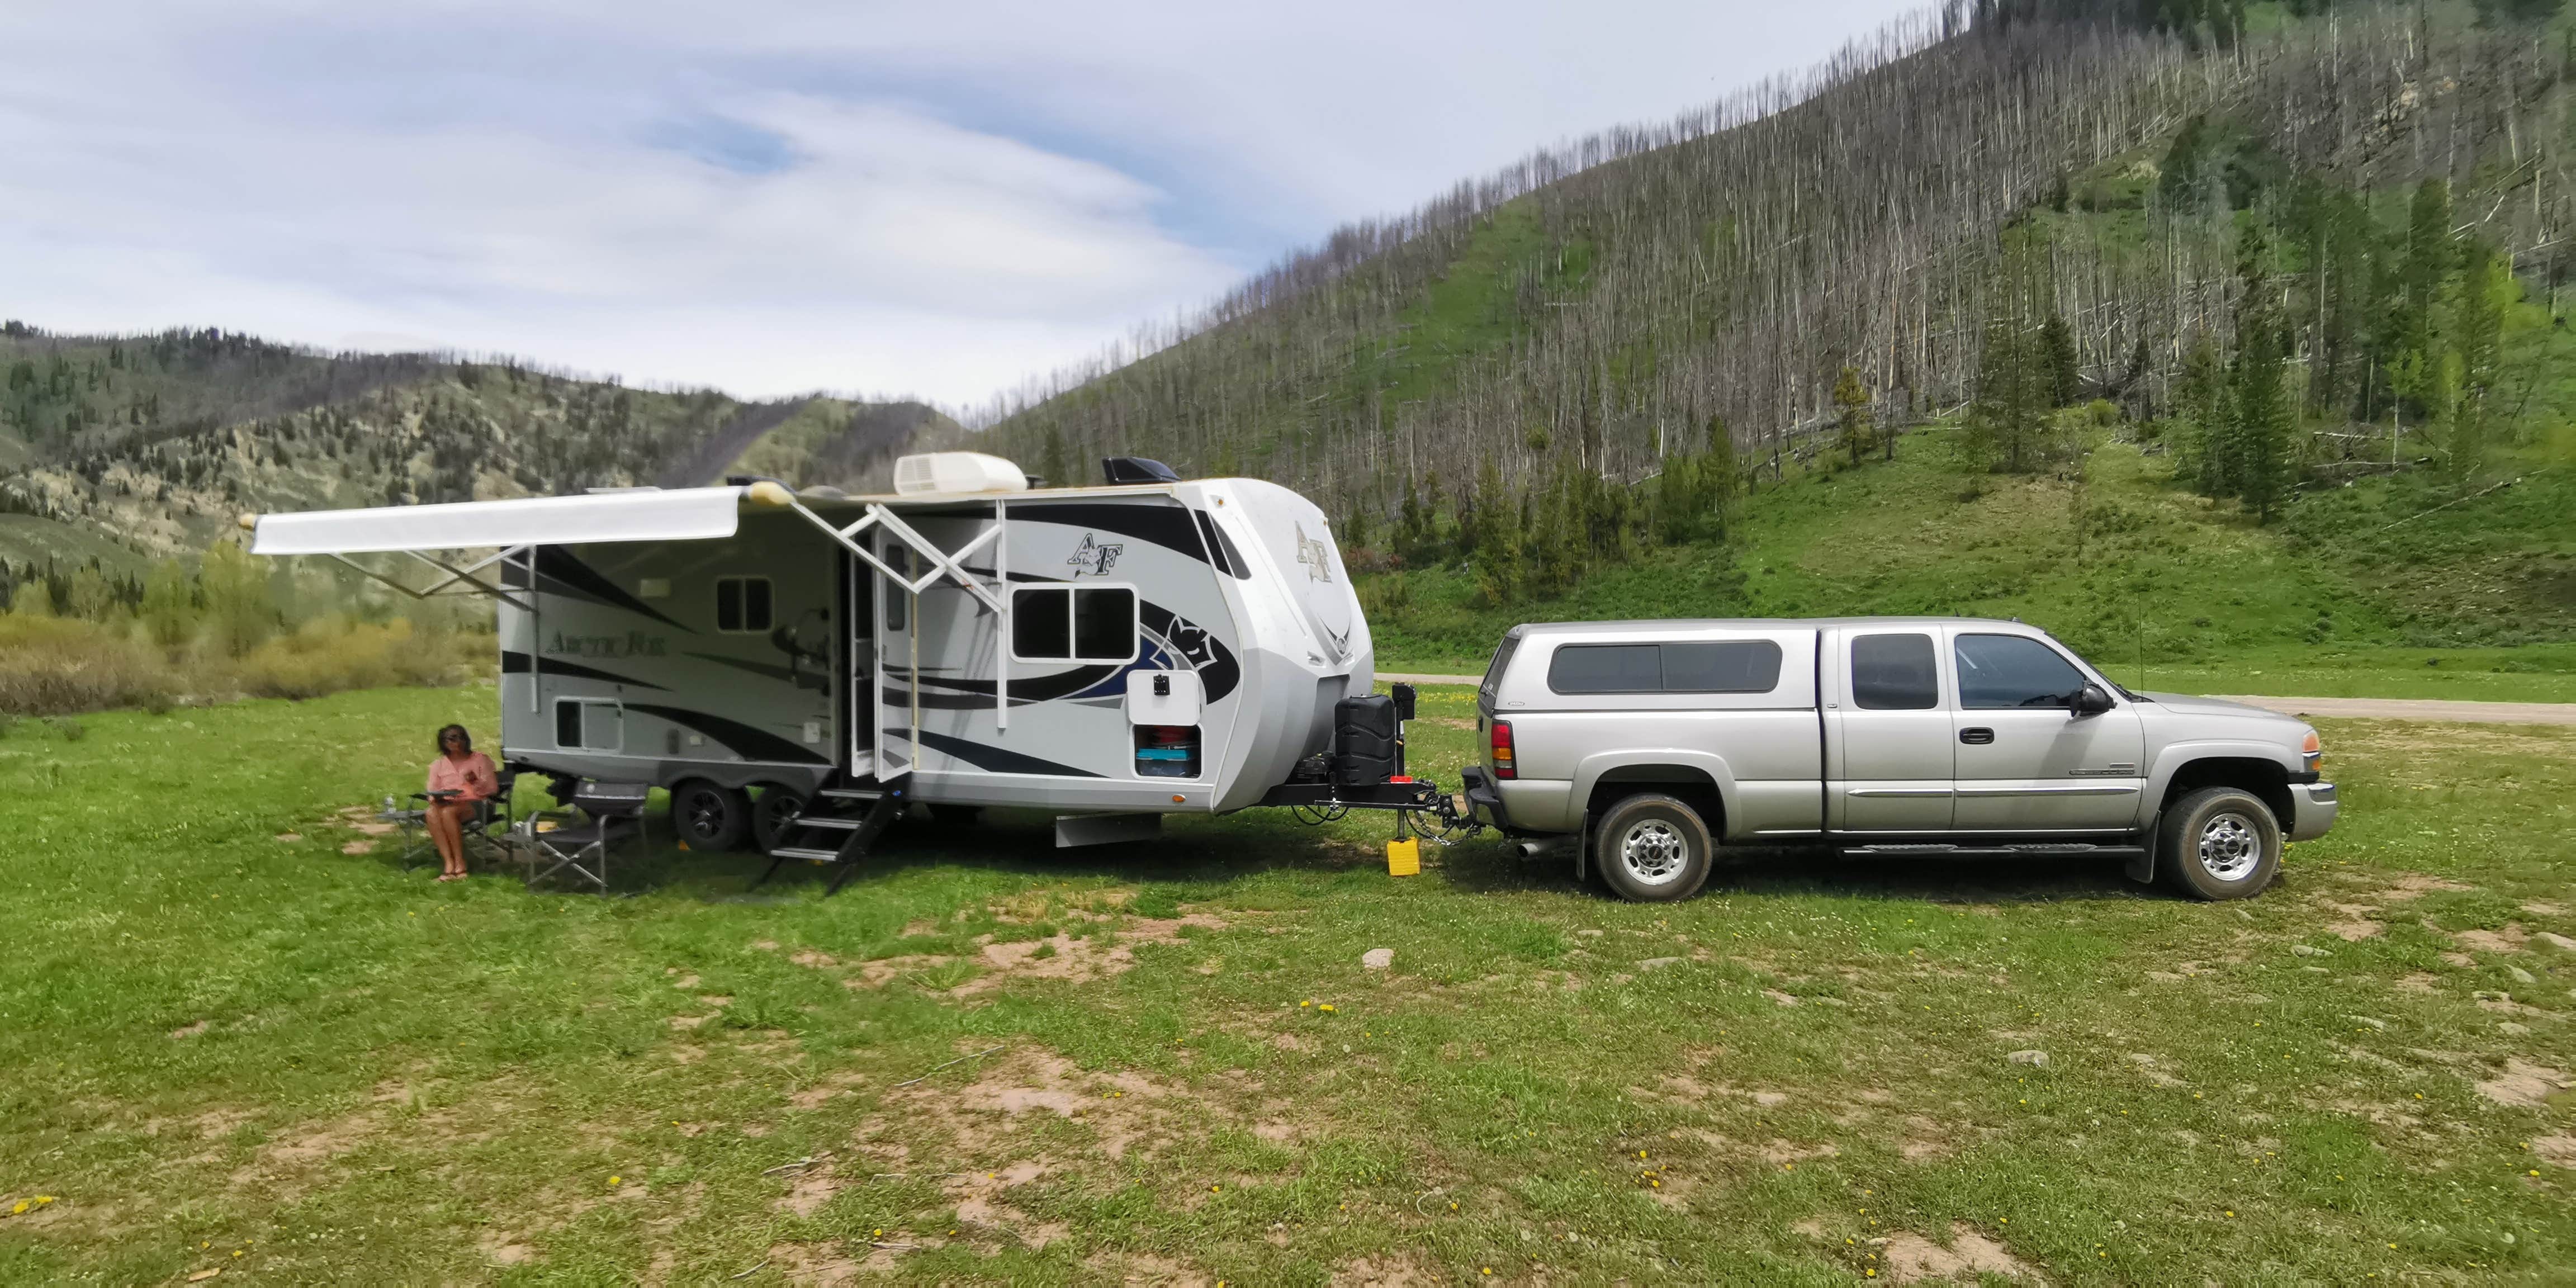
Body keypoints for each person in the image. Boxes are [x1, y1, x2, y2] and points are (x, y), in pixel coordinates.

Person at [424, 724, 499, 882]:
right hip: (448, 802)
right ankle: (448, 864)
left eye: (462, 737)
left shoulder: (479, 760)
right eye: (452, 738)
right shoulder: (439, 765)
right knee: (431, 812)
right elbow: (432, 790)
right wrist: (437, 797)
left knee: (448, 812)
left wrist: (475, 782)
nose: (458, 742)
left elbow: (492, 788)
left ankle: (460, 863)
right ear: (444, 743)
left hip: (479, 804)